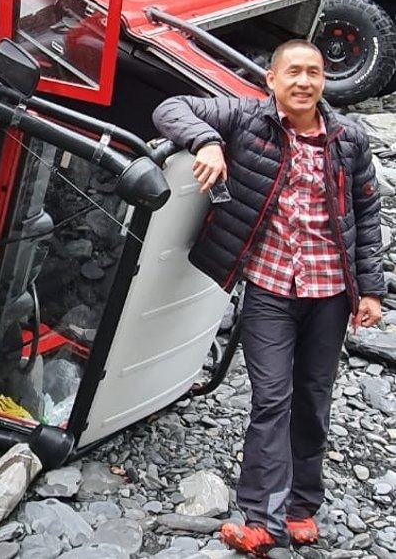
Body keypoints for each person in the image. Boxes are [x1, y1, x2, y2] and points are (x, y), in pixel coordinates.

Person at [152, 39, 385, 556]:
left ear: (324, 81)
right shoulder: (245, 118)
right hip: (269, 290)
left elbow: (367, 215)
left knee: (313, 397)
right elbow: (170, 107)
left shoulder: (349, 138)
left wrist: (371, 288)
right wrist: (207, 142)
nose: (304, 82)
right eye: (293, 73)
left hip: (330, 294)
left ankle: (302, 510)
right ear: (271, 80)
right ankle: (261, 519)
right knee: (271, 399)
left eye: (314, 73)